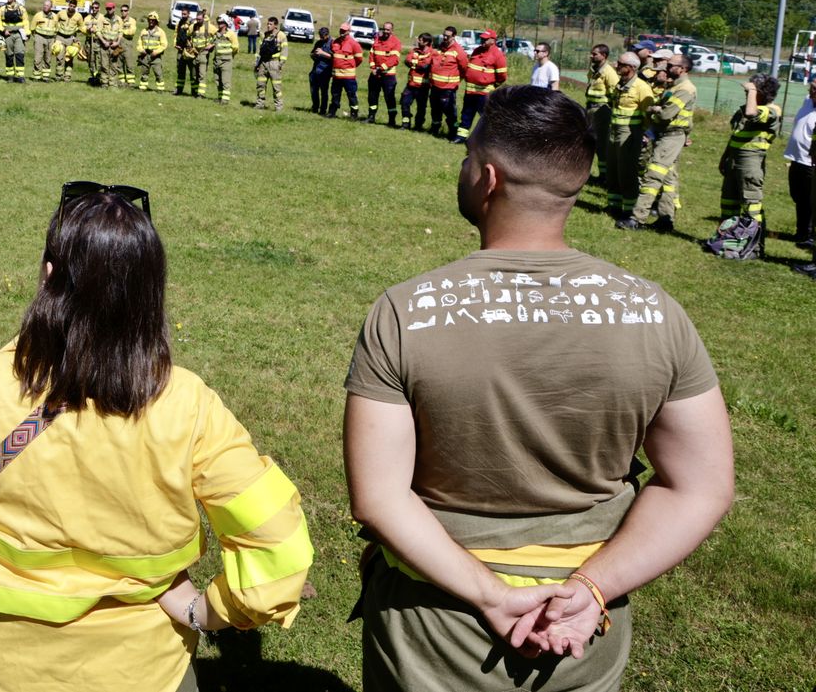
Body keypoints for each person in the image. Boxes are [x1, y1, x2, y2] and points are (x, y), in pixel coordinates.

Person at [344, 85, 734, 692]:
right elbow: (700, 485)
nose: (464, 167)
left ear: (489, 178)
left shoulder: (402, 313)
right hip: (581, 631)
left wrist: (493, 596)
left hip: (435, 627)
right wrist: (591, 589)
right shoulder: (656, 313)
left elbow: (378, 497)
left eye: (468, 155)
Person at [0, 184, 314, 692]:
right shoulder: (188, 407)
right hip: (145, 671)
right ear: (150, 292)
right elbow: (279, 552)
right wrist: (202, 612)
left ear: (49, 275)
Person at [620, 53, 697, 232]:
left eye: (671, 65)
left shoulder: (685, 89)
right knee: (669, 179)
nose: (667, 68)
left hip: (671, 136)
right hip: (668, 136)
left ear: (683, 69)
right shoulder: (676, 86)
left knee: (653, 176)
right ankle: (665, 219)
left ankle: (637, 218)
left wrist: (654, 109)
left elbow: (665, 115)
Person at [719, 73, 783, 228]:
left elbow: (751, 114)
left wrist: (753, 91)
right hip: (734, 159)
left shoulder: (771, 110)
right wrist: (725, 157)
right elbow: (735, 135)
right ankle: (727, 240)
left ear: (761, 92)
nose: (747, 92)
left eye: (751, 90)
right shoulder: (748, 108)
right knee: (728, 202)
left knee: (751, 204)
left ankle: (753, 245)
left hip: (750, 163)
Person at [606, 52, 655, 220]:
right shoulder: (621, 84)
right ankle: (613, 205)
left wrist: (645, 135)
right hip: (614, 132)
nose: (616, 66)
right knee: (612, 169)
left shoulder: (642, 87)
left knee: (626, 171)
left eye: (621, 64)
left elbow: (649, 115)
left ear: (632, 68)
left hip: (630, 134)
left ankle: (629, 209)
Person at [454, 29, 507, 144]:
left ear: (493, 40)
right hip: (470, 91)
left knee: (486, 117)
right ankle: (461, 137)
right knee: (466, 114)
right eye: (482, 38)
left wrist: (492, 86)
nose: (482, 40)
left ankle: (490, 140)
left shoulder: (498, 55)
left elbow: (502, 76)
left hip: (484, 93)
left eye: (485, 39)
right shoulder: (477, 50)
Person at [783, 76, 816, 250]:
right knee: (798, 197)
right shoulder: (808, 102)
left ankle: (810, 235)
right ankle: (801, 231)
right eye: (811, 87)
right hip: (796, 159)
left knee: (811, 200)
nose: (812, 91)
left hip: (812, 164)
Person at [585, 45, 619, 186]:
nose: (591, 56)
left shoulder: (608, 72)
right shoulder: (594, 70)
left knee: (602, 143)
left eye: (595, 54)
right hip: (591, 109)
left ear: (604, 56)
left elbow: (614, 93)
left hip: (602, 110)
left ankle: (604, 175)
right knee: (591, 141)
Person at [427, 26, 465, 139]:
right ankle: (435, 129)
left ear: (454, 37)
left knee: (449, 112)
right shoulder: (439, 47)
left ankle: (453, 131)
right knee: (435, 109)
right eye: (443, 35)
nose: (444, 37)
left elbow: (464, 68)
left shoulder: (458, 51)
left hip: (448, 88)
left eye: (447, 36)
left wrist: (456, 80)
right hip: (434, 86)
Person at [366, 22, 402, 126]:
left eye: (388, 30)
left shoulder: (396, 42)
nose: (386, 31)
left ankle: (392, 120)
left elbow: (394, 59)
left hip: (388, 76)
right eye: (384, 29)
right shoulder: (377, 40)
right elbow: (371, 54)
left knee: (389, 98)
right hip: (375, 74)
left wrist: (381, 68)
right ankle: (371, 117)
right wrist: (373, 67)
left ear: (392, 31)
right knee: (372, 96)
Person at [326, 21, 363, 119]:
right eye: (341, 30)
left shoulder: (354, 44)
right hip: (336, 76)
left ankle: (354, 113)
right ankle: (332, 112)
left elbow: (359, 59)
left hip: (348, 76)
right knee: (335, 94)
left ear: (349, 31)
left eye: (344, 30)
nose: (342, 32)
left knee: (351, 95)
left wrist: (350, 67)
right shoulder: (335, 42)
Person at [399, 33, 434, 130]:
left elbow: (425, 66)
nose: (418, 41)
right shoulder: (414, 51)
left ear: (426, 42)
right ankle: (405, 123)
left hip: (423, 87)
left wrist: (414, 63)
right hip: (410, 85)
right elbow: (407, 61)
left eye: (420, 40)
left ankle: (418, 125)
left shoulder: (432, 53)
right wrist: (417, 64)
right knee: (404, 103)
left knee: (421, 107)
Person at [253, 16, 285, 111]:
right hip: (263, 63)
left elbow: (284, 51)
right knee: (260, 85)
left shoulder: (281, 35)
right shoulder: (264, 35)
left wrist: (280, 64)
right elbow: (259, 50)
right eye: (267, 24)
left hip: (274, 63)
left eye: (270, 24)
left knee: (276, 87)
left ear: (275, 26)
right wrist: (256, 63)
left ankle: (279, 106)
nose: (268, 26)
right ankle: (260, 104)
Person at [0, 0, 29, 83]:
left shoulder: (21, 8)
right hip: (7, 35)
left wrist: (27, 33)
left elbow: (26, 21)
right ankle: (10, 76)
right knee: (9, 55)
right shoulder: (2, 9)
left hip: (19, 35)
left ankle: (20, 76)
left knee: (20, 54)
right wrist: (3, 31)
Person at [136, 10, 168, 92]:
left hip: (156, 56)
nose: (151, 21)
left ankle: (160, 90)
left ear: (156, 21)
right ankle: (142, 89)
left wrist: (156, 52)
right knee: (144, 73)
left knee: (158, 73)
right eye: (149, 20)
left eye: (153, 20)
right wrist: (141, 50)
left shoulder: (160, 32)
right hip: (145, 54)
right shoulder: (143, 31)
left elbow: (164, 44)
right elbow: (139, 42)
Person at [92, 2, 122, 88]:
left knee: (114, 65)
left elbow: (120, 32)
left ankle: (112, 84)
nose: (109, 10)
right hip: (104, 45)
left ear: (114, 8)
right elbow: (98, 31)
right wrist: (103, 41)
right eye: (107, 9)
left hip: (114, 45)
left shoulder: (118, 19)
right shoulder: (102, 19)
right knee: (104, 65)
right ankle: (104, 83)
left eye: (110, 8)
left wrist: (118, 42)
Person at [209, 16, 238, 104]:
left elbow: (235, 47)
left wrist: (229, 56)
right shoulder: (216, 34)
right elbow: (212, 43)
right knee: (218, 80)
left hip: (226, 61)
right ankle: (220, 97)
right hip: (216, 60)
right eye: (218, 22)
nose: (219, 24)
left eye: (221, 22)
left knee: (225, 81)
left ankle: (225, 100)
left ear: (225, 24)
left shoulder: (231, 34)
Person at [188, 10, 216, 99]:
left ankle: (201, 94)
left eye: (200, 19)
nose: (198, 21)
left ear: (203, 18)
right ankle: (194, 92)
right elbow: (187, 36)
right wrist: (190, 46)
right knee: (193, 74)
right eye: (197, 19)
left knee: (202, 74)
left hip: (204, 53)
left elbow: (219, 36)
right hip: (194, 53)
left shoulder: (209, 27)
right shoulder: (193, 27)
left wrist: (211, 45)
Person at [54, 0, 84, 83]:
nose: (71, 8)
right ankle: (58, 76)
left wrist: (86, 31)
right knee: (59, 57)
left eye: (73, 7)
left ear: (76, 7)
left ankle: (67, 77)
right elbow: (55, 21)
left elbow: (82, 26)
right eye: (70, 6)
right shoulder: (61, 13)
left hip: (71, 38)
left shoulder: (78, 16)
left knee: (69, 58)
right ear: (68, 5)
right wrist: (55, 31)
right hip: (60, 37)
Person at [29, 0, 57, 82]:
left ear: (51, 7)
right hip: (39, 38)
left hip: (50, 39)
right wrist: (37, 38)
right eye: (44, 5)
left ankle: (45, 77)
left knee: (48, 58)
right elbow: (32, 28)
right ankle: (36, 77)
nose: (45, 7)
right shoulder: (38, 15)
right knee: (38, 58)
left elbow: (57, 29)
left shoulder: (55, 17)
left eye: (47, 5)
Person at [308, 25, 333, 115]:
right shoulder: (318, 43)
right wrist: (313, 55)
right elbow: (312, 53)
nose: (322, 38)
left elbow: (334, 57)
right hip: (315, 70)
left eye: (323, 37)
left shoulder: (332, 43)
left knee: (324, 91)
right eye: (320, 36)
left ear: (327, 35)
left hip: (325, 71)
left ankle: (323, 110)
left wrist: (323, 53)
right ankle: (315, 107)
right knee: (314, 90)